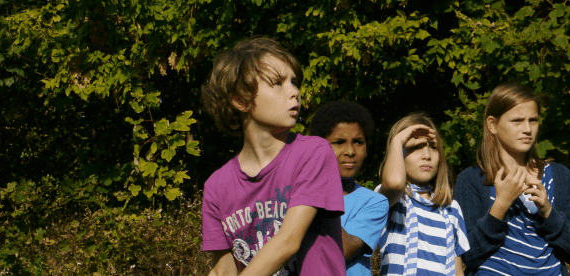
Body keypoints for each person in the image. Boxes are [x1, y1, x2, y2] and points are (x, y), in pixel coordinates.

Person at [199, 37, 345, 276]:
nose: (294, 92)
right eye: (277, 83)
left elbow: (287, 242)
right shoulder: (216, 186)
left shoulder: (313, 153)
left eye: (294, 82)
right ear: (240, 99)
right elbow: (223, 270)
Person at [454, 83, 570, 276]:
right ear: (492, 125)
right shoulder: (473, 179)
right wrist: (501, 205)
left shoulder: (559, 176)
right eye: (517, 121)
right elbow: (469, 255)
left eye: (533, 120)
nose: (527, 129)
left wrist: (548, 212)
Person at [375, 112, 470, 276]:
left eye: (433, 147)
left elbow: (458, 270)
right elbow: (395, 183)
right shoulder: (394, 202)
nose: (427, 155)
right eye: (414, 147)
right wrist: (397, 141)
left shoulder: (451, 209)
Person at [308, 101, 389, 276]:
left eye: (358, 142)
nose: (350, 151)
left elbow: (344, 249)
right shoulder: (299, 194)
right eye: (339, 142)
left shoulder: (374, 202)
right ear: (319, 148)